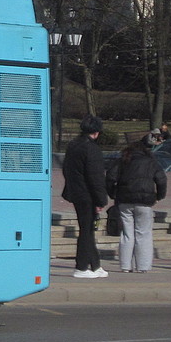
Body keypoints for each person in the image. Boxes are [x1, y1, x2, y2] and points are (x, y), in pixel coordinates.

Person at [106, 133, 168, 273]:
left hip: (124, 200)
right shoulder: (151, 161)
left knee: (127, 233)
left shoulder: (122, 160)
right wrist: (159, 196)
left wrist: (113, 193)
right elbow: (162, 179)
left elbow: (110, 177)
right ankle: (143, 267)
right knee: (144, 233)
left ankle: (125, 266)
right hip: (145, 202)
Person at [61, 115, 110, 278]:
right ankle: (81, 267)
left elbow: (66, 169)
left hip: (76, 192)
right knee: (87, 230)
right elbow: (96, 177)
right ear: (96, 132)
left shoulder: (73, 145)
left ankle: (95, 265)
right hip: (88, 194)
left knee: (87, 229)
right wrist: (101, 200)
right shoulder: (92, 149)